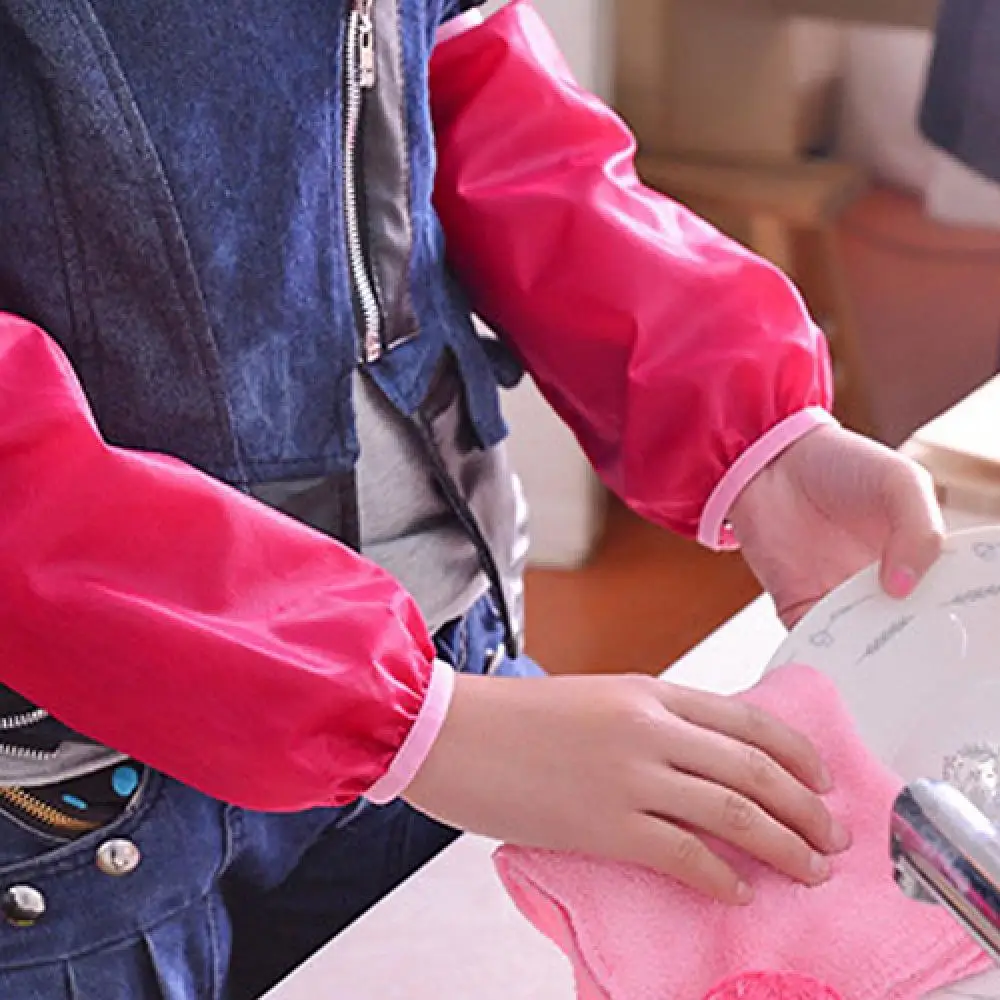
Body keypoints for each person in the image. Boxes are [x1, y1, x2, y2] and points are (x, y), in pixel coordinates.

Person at [0, 1, 943, 997]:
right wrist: (411, 720)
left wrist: (754, 431)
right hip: (81, 792)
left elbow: (478, 97)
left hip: (442, 660)